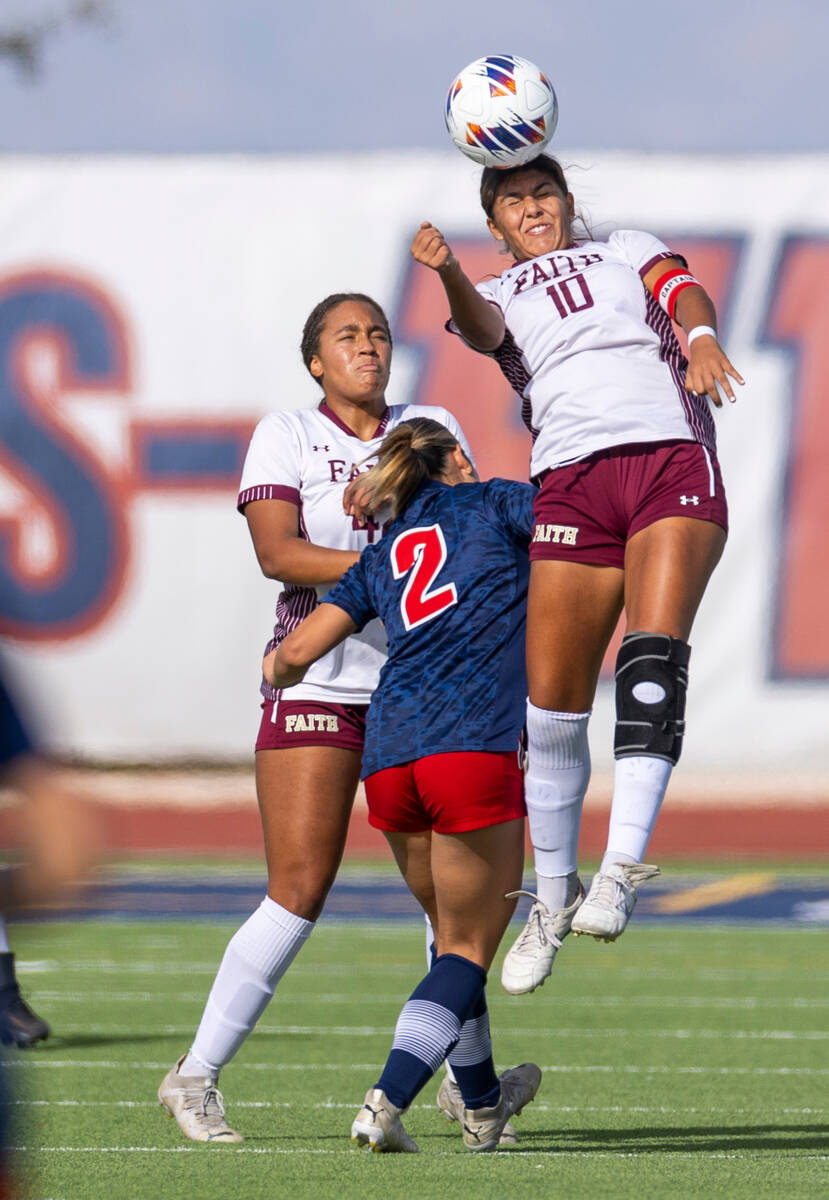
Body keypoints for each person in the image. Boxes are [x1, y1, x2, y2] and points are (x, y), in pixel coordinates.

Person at [410, 154, 743, 994]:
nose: (533, 208)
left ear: (565, 200)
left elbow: (682, 292)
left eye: (543, 193)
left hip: (667, 458)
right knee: (550, 709)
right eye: (514, 201)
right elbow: (485, 334)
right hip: (568, 478)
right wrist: (449, 272)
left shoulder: (624, 246)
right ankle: (550, 901)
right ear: (495, 224)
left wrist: (700, 338)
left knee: (651, 657)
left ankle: (620, 868)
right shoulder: (499, 295)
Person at [158, 294, 473, 1143]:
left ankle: (467, 1087)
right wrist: (399, 568)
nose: (367, 346)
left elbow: (469, 527)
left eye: (376, 333)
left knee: (453, 904)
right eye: (346, 336)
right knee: (298, 889)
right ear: (315, 362)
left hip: (418, 682)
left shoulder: (430, 422)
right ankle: (194, 1076)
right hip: (320, 680)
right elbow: (277, 553)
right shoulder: (288, 433)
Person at [264, 418, 541, 1152]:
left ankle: (482, 1102)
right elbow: (575, 528)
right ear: (452, 458)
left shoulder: (380, 553)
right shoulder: (492, 502)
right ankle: (385, 1100)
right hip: (469, 743)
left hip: (388, 757)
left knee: (452, 942)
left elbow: (291, 654)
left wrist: (276, 674)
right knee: (466, 951)